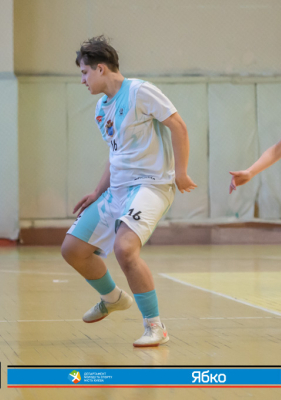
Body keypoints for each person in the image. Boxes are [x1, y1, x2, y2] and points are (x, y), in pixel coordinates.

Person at [61, 36, 197, 347]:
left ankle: (155, 326)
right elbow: (116, 154)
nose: (82, 80)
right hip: (117, 190)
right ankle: (112, 298)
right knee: (72, 250)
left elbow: (179, 126)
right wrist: (97, 191)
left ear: (100, 68)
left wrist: (181, 172)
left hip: (150, 185)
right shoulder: (101, 109)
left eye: (84, 73)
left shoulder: (140, 91)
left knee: (124, 249)